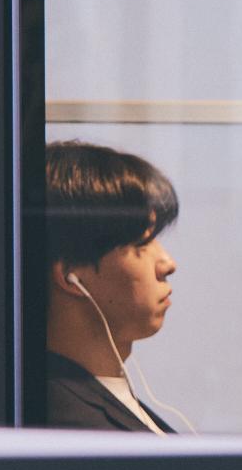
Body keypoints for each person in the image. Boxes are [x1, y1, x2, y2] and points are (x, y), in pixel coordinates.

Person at [42, 139, 185, 433]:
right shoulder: (66, 422)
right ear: (72, 274)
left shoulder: (104, 399)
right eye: (142, 243)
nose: (167, 263)